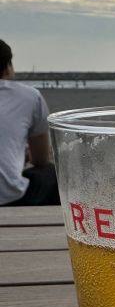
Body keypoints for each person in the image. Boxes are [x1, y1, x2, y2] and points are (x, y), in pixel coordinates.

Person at [0, 40, 60, 206]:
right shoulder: (30, 97)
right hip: (8, 198)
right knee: (51, 173)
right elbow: (40, 158)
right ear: (7, 68)